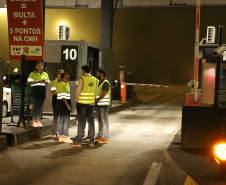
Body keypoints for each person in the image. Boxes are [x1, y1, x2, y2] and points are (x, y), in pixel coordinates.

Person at [71, 65, 98, 147]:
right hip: (91, 104)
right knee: (91, 122)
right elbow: (96, 92)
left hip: (82, 104)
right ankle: (91, 141)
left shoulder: (81, 79)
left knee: (81, 122)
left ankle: (78, 141)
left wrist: (76, 101)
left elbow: (78, 91)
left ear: (83, 71)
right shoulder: (95, 80)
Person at [28, 61, 50, 127]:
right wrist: (38, 81)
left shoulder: (45, 74)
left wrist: (45, 82)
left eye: (41, 65)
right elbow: (29, 82)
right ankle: (34, 121)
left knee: (40, 107)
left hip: (42, 92)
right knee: (34, 107)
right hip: (34, 92)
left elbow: (48, 83)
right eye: (38, 65)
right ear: (36, 66)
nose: (40, 67)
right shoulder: (32, 73)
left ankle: (38, 120)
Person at [95, 69, 111, 144]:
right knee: (100, 121)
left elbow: (103, 94)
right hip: (99, 105)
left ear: (102, 74)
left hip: (104, 105)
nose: (96, 74)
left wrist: (97, 100)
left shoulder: (105, 83)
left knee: (105, 121)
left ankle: (106, 137)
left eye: (98, 73)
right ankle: (99, 135)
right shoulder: (99, 82)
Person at [57, 72, 73, 143]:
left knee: (61, 120)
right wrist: (68, 106)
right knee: (66, 121)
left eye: (68, 77)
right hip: (64, 104)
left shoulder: (64, 84)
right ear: (62, 78)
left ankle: (61, 136)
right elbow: (63, 98)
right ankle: (66, 136)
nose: (68, 78)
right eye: (66, 77)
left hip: (60, 103)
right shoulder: (63, 85)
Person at [51, 69, 64, 138]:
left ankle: (61, 132)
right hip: (56, 99)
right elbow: (54, 92)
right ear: (57, 75)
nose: (62, 75)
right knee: (55, 116)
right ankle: (54, 132)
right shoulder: (54, 83)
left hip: (63, 99)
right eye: (61, 74)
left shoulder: (65, 83)